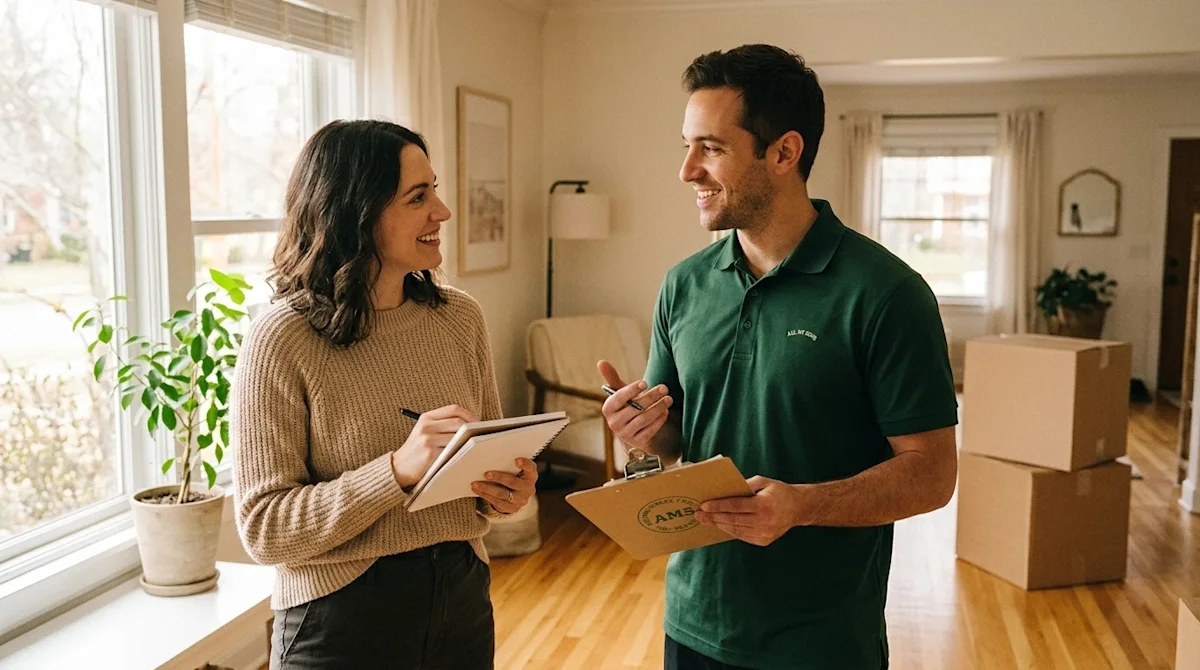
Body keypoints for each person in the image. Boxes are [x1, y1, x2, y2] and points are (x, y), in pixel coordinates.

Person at [599, 45, 959, 670]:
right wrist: (644, 429)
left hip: (822, 640)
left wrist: (804, 505)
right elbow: (676, 443)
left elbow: (932, 475)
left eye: (711, 148)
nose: (687, 170)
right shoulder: (682, 285)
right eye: (686, 145)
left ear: (785, 153)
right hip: (694, 621)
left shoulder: (887, 294)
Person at [232, 119, 536, 669]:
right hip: (341, 618)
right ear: (354, 212)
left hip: (462, 598)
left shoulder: (460, 318)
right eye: (417, 197)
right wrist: (395, 470)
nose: (441, 212)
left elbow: (488, 481)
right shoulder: (281, 337)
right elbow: (263, 529)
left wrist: (506, 492)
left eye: (435, 189)